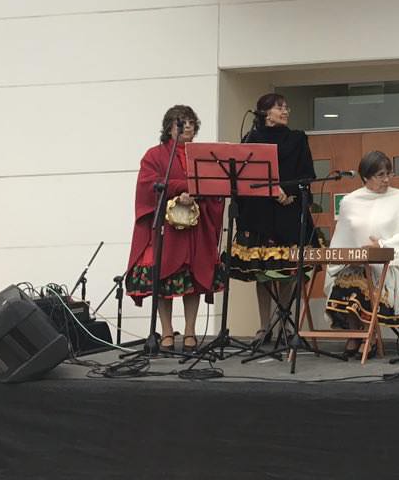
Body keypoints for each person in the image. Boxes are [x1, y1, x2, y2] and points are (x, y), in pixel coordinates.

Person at [125, 105, 226, 351]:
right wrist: (180, 190)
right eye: (182, 122)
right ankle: (167, 332)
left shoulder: (203, 155)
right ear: (169, 127)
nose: (188, 126)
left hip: (196, 228)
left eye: (191, 122)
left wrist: (197, 194)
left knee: (194, 278)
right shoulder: (154, 155)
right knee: (163, 277)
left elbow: (215, 184)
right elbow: (148, 184)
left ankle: (190, 332)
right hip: (166, 229)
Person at [326, 151, 399, 355]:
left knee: (363, 282)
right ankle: (355, 334)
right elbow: (342, 237)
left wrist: (384, 244)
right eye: (380, 175)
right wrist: (347, 258)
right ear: (365, 177)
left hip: (392, 265)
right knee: (348, 278)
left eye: (389, 174)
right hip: (359, 264)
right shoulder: (350, 202)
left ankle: (371, 337)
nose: (386, 179)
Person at [228, 92, 318, 341]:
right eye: (280, 108)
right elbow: (243, 179)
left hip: (289, 211)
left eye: (287, 107)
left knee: (288, 269)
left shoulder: (298, 139)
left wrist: (288, 192)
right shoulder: (250, 140)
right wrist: (270, 190)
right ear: (265, 112)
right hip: (260, 215)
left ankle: (286, 322)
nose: (286, 111)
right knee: (263, 272)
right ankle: (264, 326)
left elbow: (307, 174)